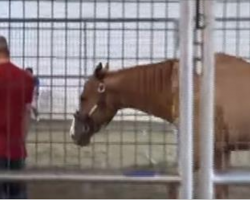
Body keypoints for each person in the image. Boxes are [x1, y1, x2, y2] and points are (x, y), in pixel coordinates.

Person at [0, 36, 34, 198]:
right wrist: (21, 141)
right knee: (17, 193)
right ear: (8, 52)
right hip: (16, 148)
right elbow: (26, 115)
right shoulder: (26, 78)